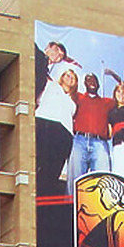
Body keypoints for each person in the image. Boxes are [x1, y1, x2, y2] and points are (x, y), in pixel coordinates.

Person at [67, 73, 116, 194]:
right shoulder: (78, 97)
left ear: (98, 84)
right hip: (79, 140)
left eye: (94, 80)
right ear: (84, 84)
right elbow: (64, 87)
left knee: (103, 179)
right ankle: (69, 209)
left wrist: (115, 76)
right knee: (75, 179)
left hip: (100, 143)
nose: (92, 82)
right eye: (88, 80)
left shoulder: (107, 102)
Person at [35, 68, 79, 196]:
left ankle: (42, 199)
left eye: (73, 77)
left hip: (64, 133)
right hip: (45, 124)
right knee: (37, 162)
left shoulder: (74, 101)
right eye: (67, 75)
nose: (69, 78)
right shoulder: (50, 85)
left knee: (52, 170)